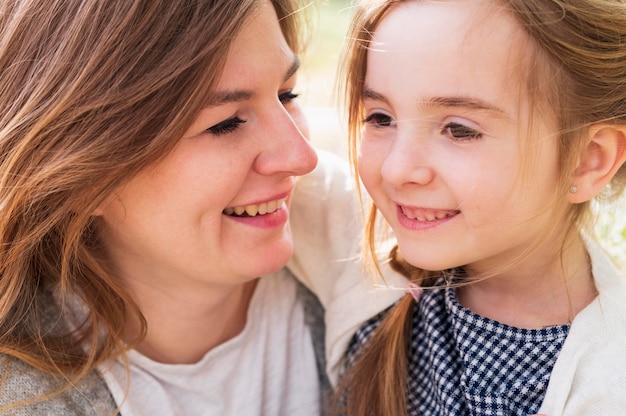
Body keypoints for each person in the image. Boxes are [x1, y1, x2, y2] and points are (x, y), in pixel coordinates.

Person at [0, 0, 404, 414]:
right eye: (224, 123)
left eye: (288, 94)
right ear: (84, 180)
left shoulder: (403, 263)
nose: (302, 157)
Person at [332, 0, 626, 415]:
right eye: (380, 118)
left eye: (458, 130)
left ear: (587, 159)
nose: (397, 169)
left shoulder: (610, 386)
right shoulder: (356, 258)